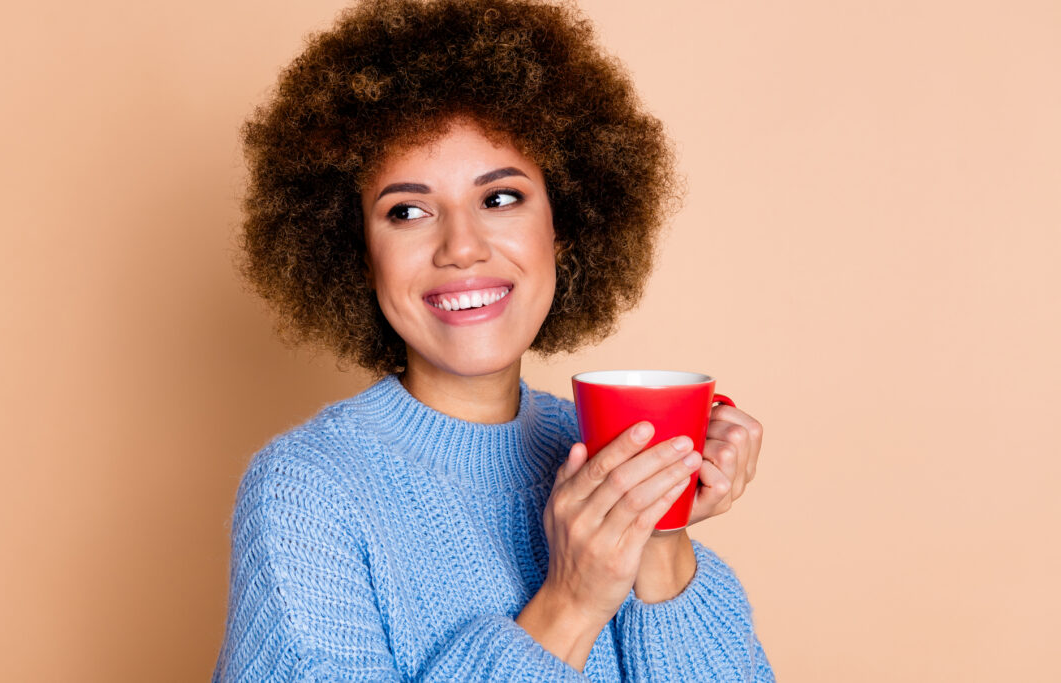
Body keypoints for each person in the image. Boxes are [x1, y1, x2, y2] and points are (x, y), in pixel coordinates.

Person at [213, 0, 771, 680]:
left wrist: (660, 529)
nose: (462, 247)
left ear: (562, 225)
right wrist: (570, 602)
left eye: (500, 198)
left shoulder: (602, 452)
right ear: (358, 253)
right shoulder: (305, 492)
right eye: (408, 211)